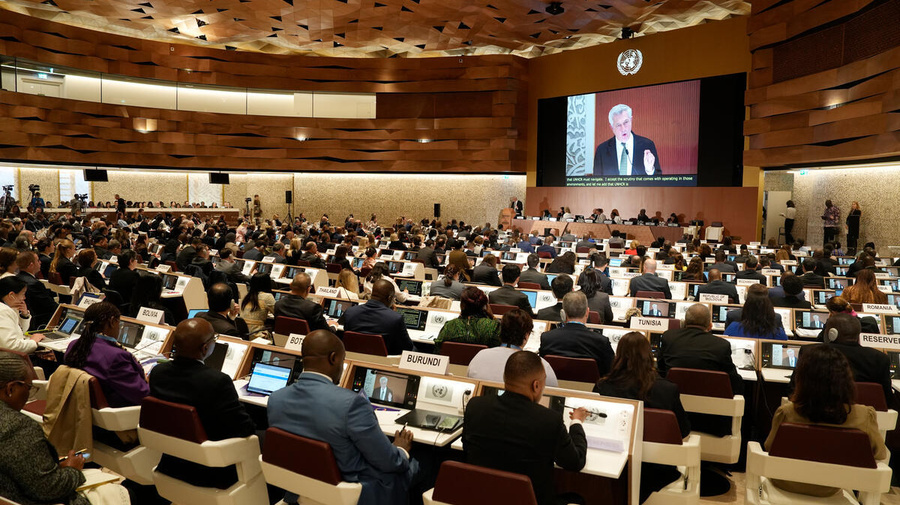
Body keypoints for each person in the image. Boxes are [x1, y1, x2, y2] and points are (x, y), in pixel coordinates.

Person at [268, 330, 418, 505]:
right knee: (421, 465)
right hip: (350, 492)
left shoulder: (276, 399)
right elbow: (389, 462)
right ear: (334, 358)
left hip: (301, 488)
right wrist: (401, 449)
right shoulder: (352, 404)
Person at [463, 351, 588, 505]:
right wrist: (577, 422)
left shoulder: (475, 406)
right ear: (536, 385)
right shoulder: (549, 420)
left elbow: (466, 447)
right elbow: (575, 462)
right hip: (532, 500)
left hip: (482, 497)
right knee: (577, 499)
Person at [149, 318, 256, 489]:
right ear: (205, 348)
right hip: (211, 471)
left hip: (172, 460)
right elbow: (244, 429)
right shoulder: (217, 381)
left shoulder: (157, 372)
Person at [768, 344, 886, 497]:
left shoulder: (786, 413)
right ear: (846, 380)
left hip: (785, 485)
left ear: (801, 378)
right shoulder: (864, 416)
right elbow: (879, 453)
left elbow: (770, 447)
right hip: (833, 487)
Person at [594, 332, 690, 502]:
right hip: (657, 468)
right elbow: (683, 434)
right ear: (649, 356)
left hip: (615, 464)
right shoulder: (668, 390)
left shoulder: (603, 386)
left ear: (619, 355)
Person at [0, 351, 97, 505]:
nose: (29, 394)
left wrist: (49, 467)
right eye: (28, 387)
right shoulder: (18, 426)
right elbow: (49, 488)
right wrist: (73, 470)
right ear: (10, 389)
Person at [658, 304, 743, 436]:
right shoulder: (721, 345)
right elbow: (733, 382)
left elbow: (661, 371)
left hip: (675, 415)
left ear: (684, 322)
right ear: (709, 326)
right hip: (712, 421)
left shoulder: (669, 337)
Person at [64, 302, 149, 407]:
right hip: (117, 413)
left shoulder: (74, 345)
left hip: (82, 407)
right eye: (119, 323)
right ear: (112, 321)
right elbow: (142, 395)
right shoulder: (116, 357)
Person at [467, 309, 558, 386]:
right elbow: (553, 393)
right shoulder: (541, 365)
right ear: (526, 336)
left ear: (501, 331)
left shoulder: (480, 356)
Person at [539, 291, 614, 376]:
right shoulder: (601, 342)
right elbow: (610, 372)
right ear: (587, 312)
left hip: (554, 388)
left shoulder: (547, 338)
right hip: (591, 388)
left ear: (563, 313)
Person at [344, 279, 415, 355]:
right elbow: (408, 347)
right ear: (389, 298)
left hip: (355, 359)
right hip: (385, 363)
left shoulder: (350, 312)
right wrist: (392, 314)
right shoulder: (395, 318)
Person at [593, 103, 661, 177]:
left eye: (626, 122)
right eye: (618, 125)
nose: (623, 129)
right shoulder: (602, 150)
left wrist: (650, 170)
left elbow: (659, 179)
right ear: (612, 127)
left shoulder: (647, 145)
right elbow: (597, 183)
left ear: (631, 120)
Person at [434, 286, 500, 353]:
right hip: (483, 362)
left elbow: (438, 348)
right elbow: (498, 349)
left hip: (454, 362)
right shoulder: (493, 326)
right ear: (485, 306)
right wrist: (492, 316)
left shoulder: (449, 326)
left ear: (462, 305)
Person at [0, 276, 43, 353]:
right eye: (23, 294)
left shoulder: (7, 308)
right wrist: (33, 341)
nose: (24, 298)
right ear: (11, 295)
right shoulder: (3, 311)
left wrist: (24, 315)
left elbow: (19, 332)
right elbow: (11, 346)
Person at [15, 251, 57, 331]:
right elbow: (50, 306)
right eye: (38, 260)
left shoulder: (17, 278)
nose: (40, 262)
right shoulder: (34, 284)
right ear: (31, 265)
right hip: (38, 324)